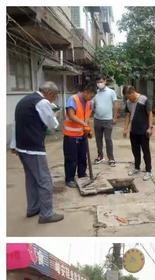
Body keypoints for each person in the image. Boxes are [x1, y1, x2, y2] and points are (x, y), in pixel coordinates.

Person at [10, 81, 64, 223]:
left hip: (22, 147)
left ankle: (33, 208)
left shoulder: (24, 100)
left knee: (31, 179)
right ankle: (46, 214)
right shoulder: (42, 102)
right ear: (50, 93)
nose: (54, 99)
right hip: (34, 149)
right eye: (55, 96)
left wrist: (13, 145)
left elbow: (16, 124)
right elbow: (52, 124)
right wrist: (55, 115)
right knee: (45, 180)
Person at [63, 83, 96, 187]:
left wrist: (88, 129)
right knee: (71, 158)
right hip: (71, 135)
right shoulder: (72, 99)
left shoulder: (88, 102)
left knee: (82, 157)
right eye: (91, 96)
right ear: (86, 92)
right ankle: (69, 179)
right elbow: (71, 116)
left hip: (82, 134)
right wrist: (84, 124)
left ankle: (82, 174)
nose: (91, 98)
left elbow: (86, 117)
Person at [123, 85, 153, 181]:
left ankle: (148, 171)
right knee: (135, 151)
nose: (128, 99)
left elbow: (150, 113)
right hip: (134, 131)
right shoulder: (128, 102)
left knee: (146, 151)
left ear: (133, 92)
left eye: (128, 96)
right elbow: (127, 115)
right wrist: (126, 128)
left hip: (144, 131)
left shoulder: (144, 99)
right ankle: (136, 168)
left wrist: (150, 127)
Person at [92, 75, 118, 166]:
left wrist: (115, 117)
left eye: (101, 82)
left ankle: (111, 158)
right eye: (98, 82)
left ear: (105, 81)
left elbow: (115, 105)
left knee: (108, 139)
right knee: (98, 139)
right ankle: (100, 156)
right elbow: (92, 105)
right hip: (97, 119)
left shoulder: (111, 92)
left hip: (108, 120)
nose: (100, 84)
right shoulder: (95, 93)